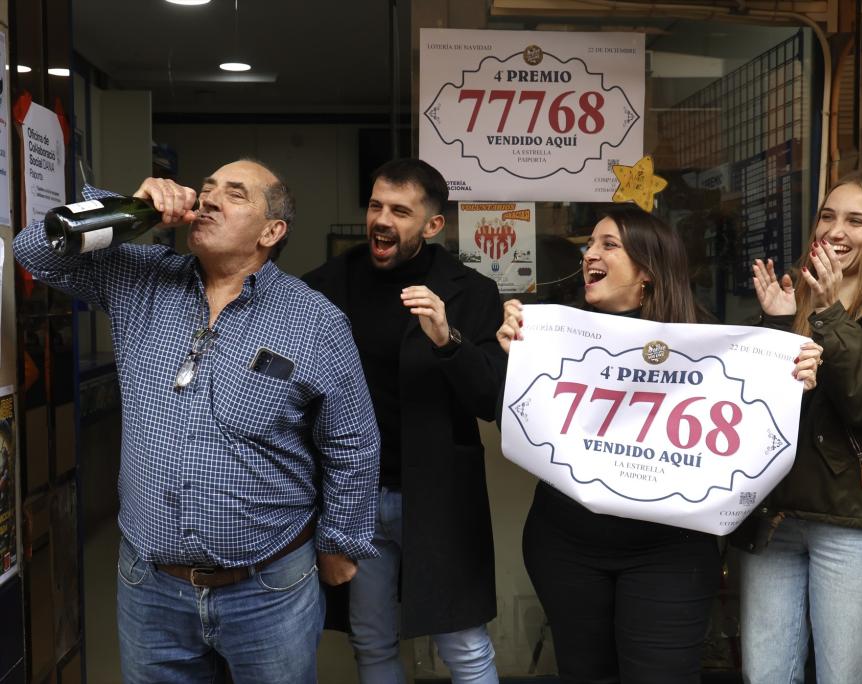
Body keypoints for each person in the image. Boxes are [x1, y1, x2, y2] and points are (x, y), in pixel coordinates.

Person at [14, 159, 380, 683]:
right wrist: (126, 212)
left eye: (234, 195)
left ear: (272, 231)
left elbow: (351, 441)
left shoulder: (315, 321)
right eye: (206, 189)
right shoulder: (140, 278)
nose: (208, 199)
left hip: (268, 586)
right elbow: (34, 251)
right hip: (150, 586)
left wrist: (341, 541)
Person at [497, 204, 819, 684]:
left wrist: (788, 354)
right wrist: (511, 353)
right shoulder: (554, 332)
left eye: (609, 245)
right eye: (590, 244)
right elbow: (498, 407)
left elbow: (764, 427)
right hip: (565, 547)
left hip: (671, 555)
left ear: (647, 270)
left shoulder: (707, 340)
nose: (590, 254)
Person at [303, 158, 504, 683]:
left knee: (463, 644)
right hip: (354, 497)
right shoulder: (325, 286)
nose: (382, 219)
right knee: (371, 642)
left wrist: (447, 338)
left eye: (399, 210)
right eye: (375, 206)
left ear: (432, 225)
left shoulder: (472, 293)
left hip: (437, 496)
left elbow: (492, 397)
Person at [740, 169, 862, 684]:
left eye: (856, 220)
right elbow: (755, 407)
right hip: (777, 520)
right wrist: (780, 325)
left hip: (853, 527)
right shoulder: (798, 295)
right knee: (764, 675)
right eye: (828, 216)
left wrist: (829, 314)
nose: (835, 231)